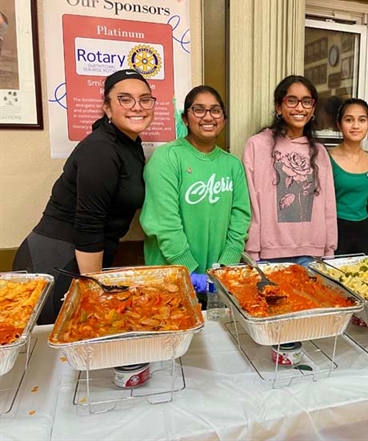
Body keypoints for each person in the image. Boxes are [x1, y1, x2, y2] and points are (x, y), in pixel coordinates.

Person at [13, 69, 155, 324]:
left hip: (86, 257)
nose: (138, 107)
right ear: (107, 108)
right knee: (56, 354)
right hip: (58, 258)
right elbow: (89, 225)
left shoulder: (129, 144)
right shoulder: (101, 149)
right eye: (125, 99)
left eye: (145, 99)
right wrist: (94, 287)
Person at [140, 86, 251, 292]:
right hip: (171, 278)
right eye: (199, 110)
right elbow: (163, 221)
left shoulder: (233, 165)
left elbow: (241, 218)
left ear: (223, 120)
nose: (208, 117)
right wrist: (187, 269)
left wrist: (226, 266)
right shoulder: (167, 158)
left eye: (215, 110)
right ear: (184, 118)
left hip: (218, 279)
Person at [242, 75, 337, 267]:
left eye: (307, 102)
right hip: (268, 254)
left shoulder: (319, 152)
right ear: (279, 107)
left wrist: (329, 249)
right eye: (292, 101)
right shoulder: (257, 145)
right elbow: (251, 200)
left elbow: (328, 204)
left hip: (312, 253)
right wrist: (253, 250)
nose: (300, 108)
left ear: (313, 109)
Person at [329, 98, 368, 255]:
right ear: (339, 124)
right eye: (349, 120)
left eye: (362, 120)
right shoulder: (326, 158)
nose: (356, 125)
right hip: (335, 228)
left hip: (363, 230)